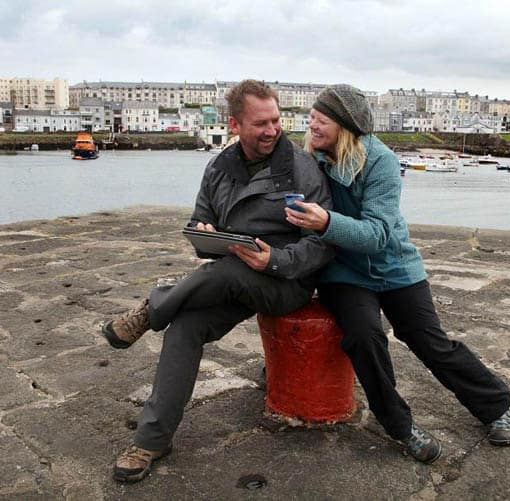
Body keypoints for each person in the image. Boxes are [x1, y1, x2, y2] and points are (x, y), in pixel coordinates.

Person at [101, 79, 335, 483]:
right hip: (230, 278)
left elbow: (322, 245)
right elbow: (198, 223)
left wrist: (274, 260)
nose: (272, 130)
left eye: (276, 120)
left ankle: (152, 307)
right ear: (235, 124)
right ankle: (151, 441)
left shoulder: (301, 168)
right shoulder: (219, 168)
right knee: (185, 326)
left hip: (287, 282)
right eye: (260, 123)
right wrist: (206, 232)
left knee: (225, 270)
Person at [285, 84, 510, 464]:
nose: (311, 124)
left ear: (346, 126)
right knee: (364, 337)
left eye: (321, 119)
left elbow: (377, 234)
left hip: (394, 265)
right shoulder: (308, 159)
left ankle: (496, 404)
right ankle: (401, 427)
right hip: (343, 271)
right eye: (311, 116)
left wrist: (326, 220)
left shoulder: (381, 162)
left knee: (429, 341)